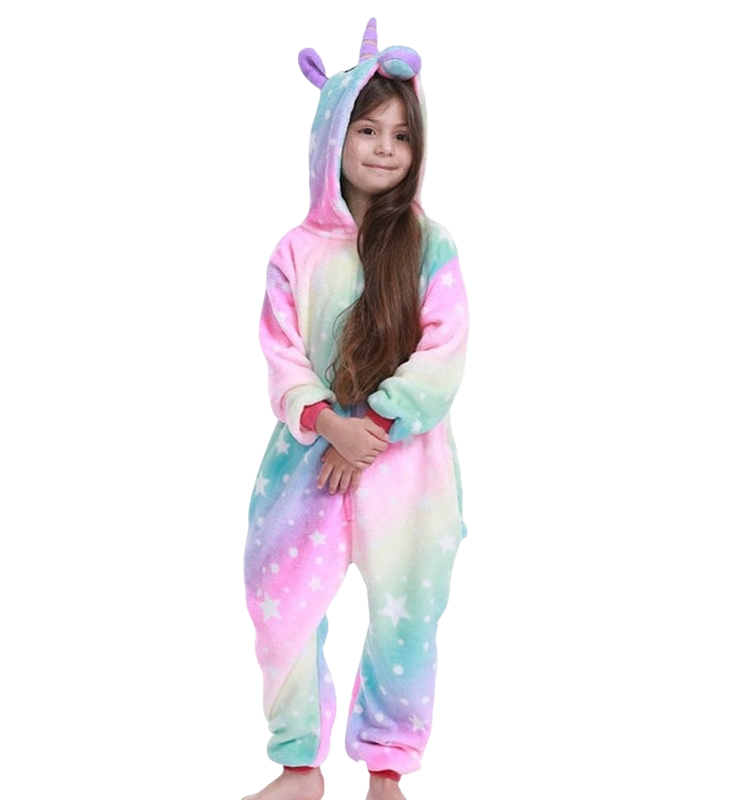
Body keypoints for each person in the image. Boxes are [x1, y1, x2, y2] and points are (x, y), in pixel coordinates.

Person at [242, 18, 469, 800]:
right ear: (330, 136)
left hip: (405, 468)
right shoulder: (296, 252)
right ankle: (299, 766)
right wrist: (327, 423)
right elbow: (282, 354)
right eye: (366, 129)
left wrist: (371, 426)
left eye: (401, 135)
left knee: (407, 614)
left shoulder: (430, 245)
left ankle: (386, 770)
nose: (383, 148)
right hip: (308, 459)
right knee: (279, 603)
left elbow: (444, 352)